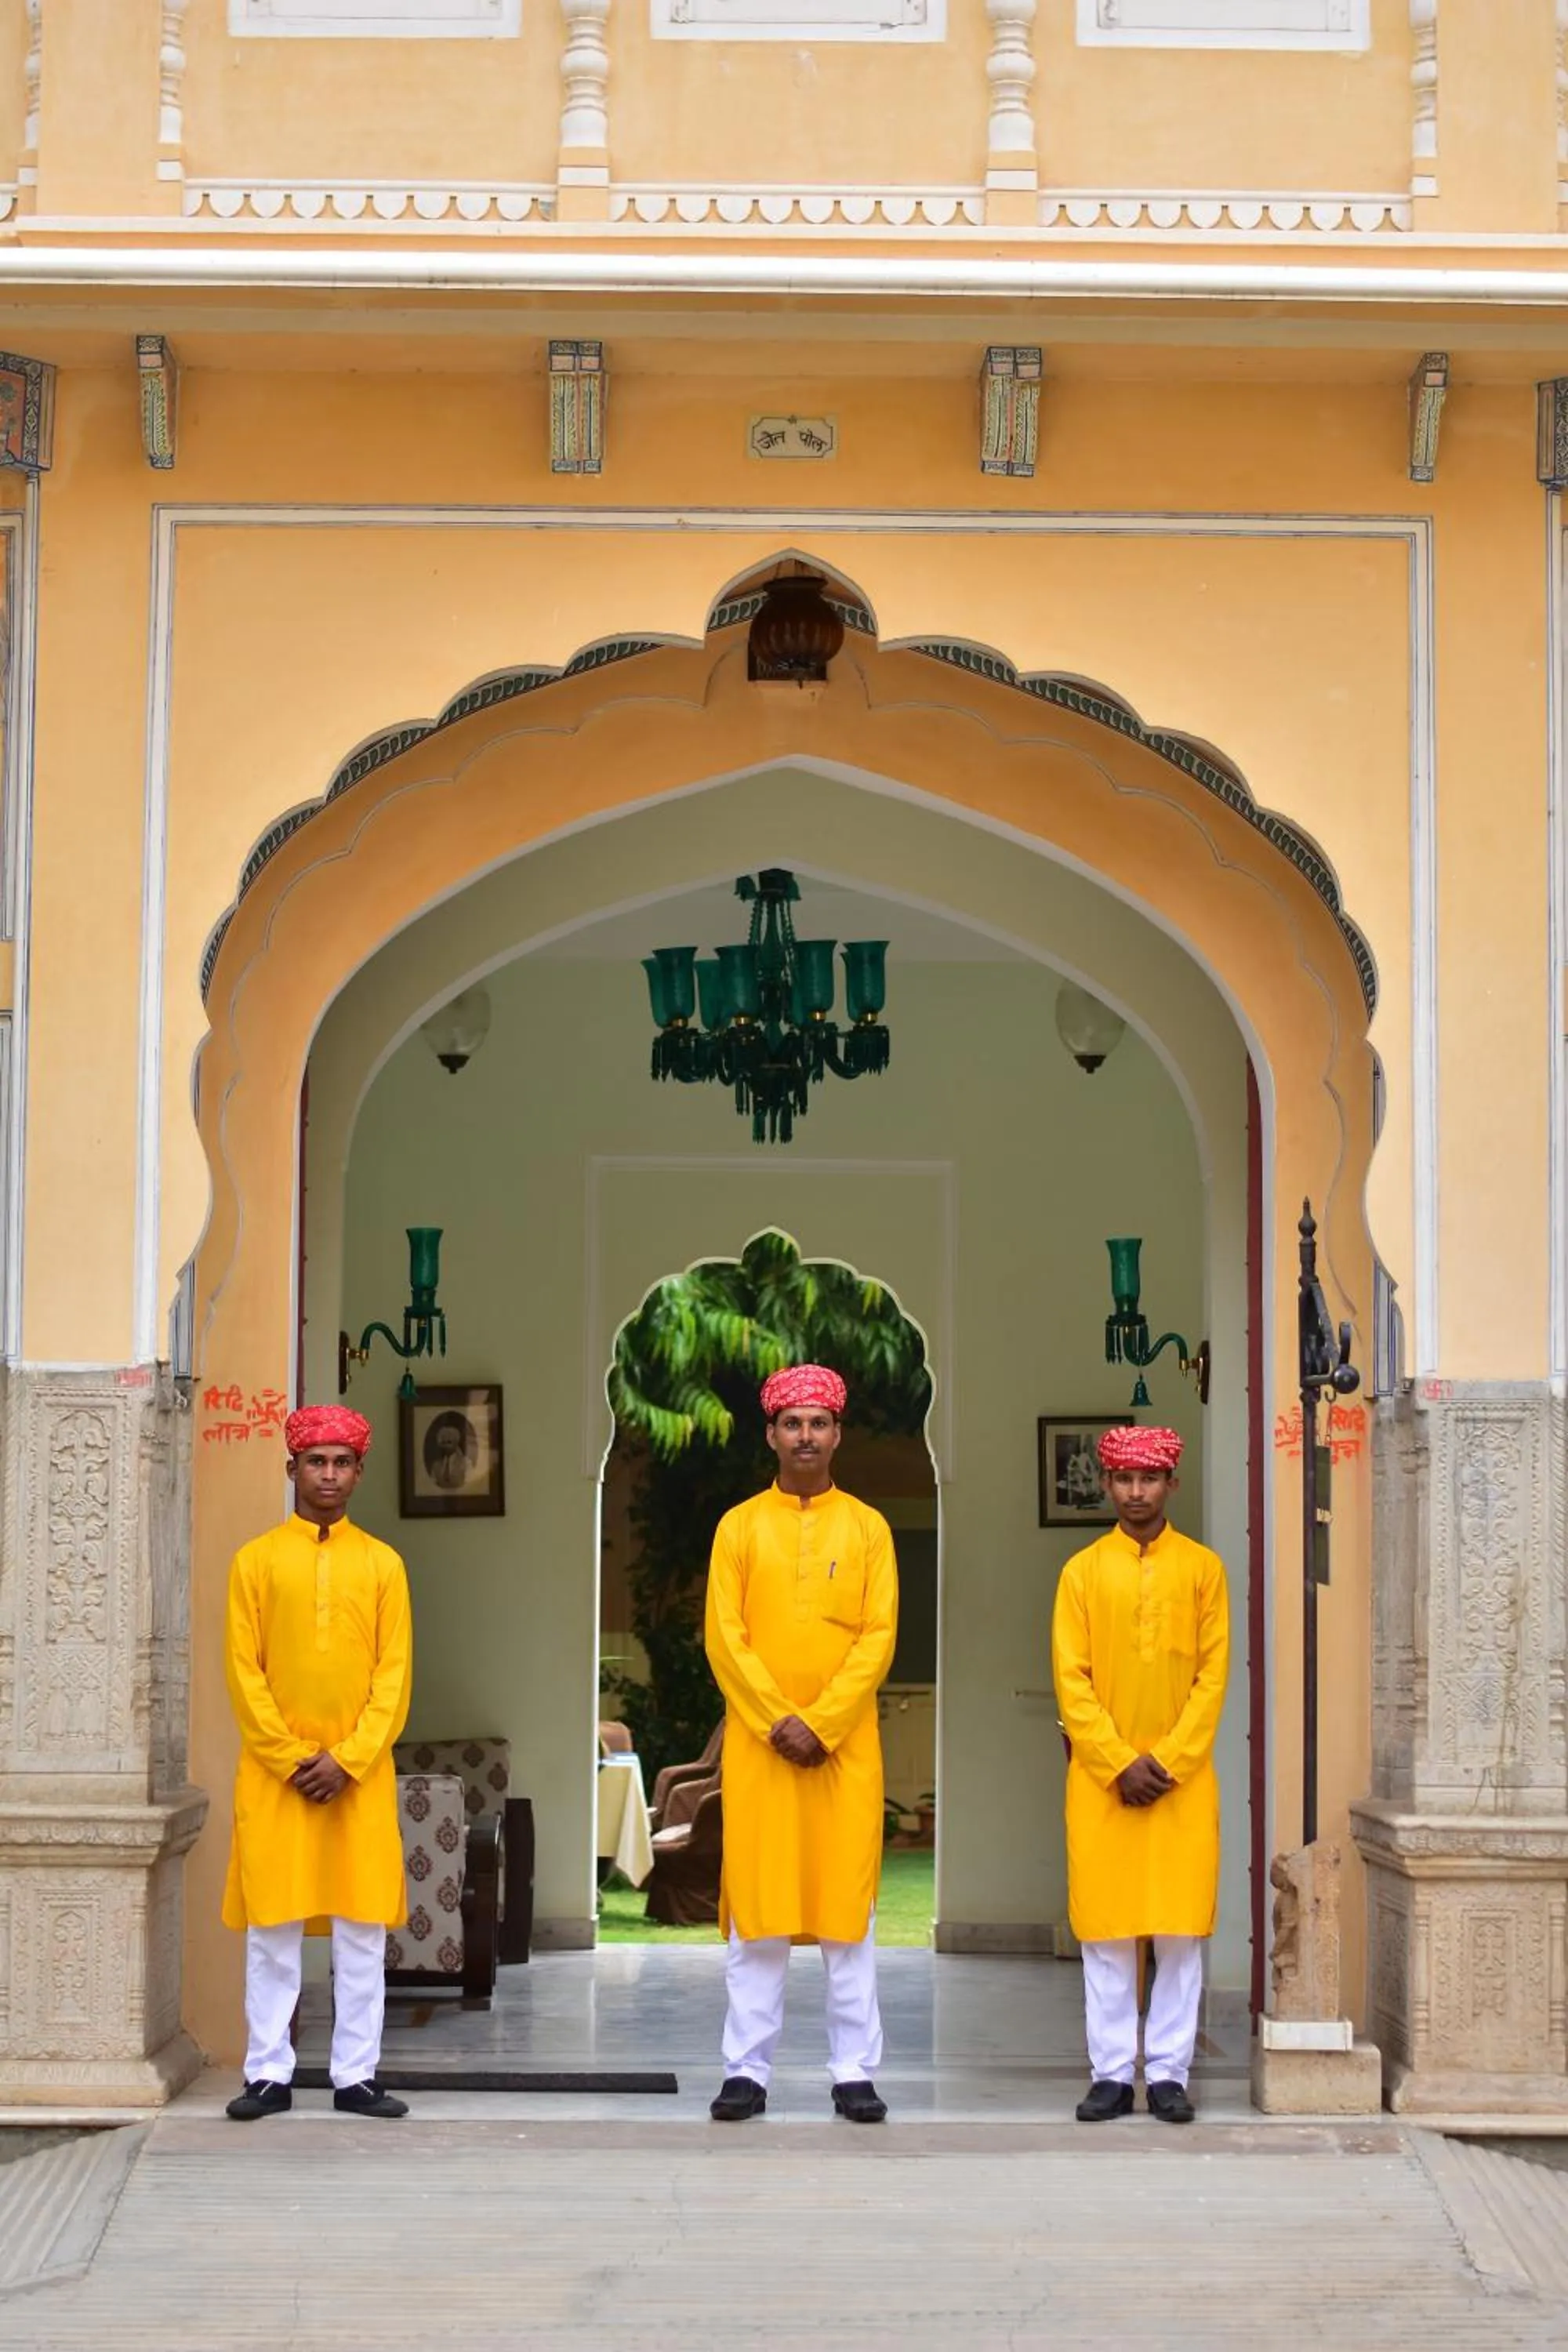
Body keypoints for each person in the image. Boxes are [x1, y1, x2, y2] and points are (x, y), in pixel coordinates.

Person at [704, 1363, 898, 2125]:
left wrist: (821, 1722)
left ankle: (853, 2072)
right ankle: (744, 2072)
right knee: (759, 1914)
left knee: (847, 1916)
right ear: (771, 1434)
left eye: (819, 1423)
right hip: (760, 1752)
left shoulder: (868, 1528)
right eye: (792, 1423)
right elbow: (724, 1636)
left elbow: (877, 1636)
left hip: (843, 1752)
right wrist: (774, 1717)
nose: (806, 1435)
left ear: (837, 1433)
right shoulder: (739, 1526)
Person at [221, 1404, 414, 2122]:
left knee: (361, 1933)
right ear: (292, 1468)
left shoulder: (382, 1565)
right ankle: (267, 2074)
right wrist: (294, 1759)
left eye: (341, 1463)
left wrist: (350, 1760)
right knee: (273, 1931)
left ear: (359, 1473)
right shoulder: (256, 1561)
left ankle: (356, 2076)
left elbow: (393, 1678)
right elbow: (245, 1674)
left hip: (357, 1781)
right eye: (315, 1462)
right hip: (279, 1781)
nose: (328, 1475)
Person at [1051, 1423, 1229, 2125]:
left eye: (1148, 1478)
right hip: (1104, 1784)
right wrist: (1120, 1762)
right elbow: (1072, 1681)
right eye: (1124, 1479)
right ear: (1108, 1485)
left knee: (1179, 1935)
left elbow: (1213, 1678)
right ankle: (1111, 2075)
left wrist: (1171, 1761)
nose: (1135, 1491)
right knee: (1108, 1933)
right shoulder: (1082, 1572)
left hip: (1182, 1786)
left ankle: (1170, 2075)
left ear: (1170, 1485)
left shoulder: (1202, 1570)